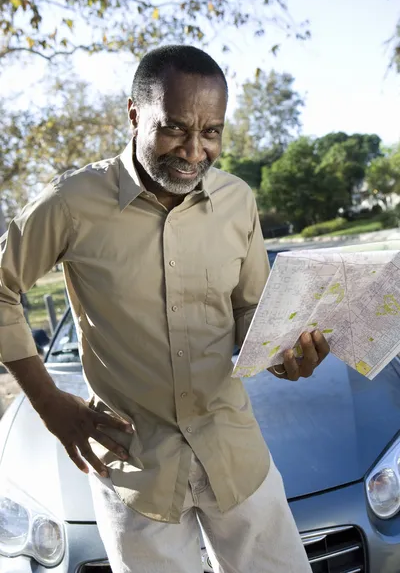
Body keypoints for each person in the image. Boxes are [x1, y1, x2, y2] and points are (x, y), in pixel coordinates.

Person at [0, 45, 329, 573]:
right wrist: (46, 401)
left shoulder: (238, 202)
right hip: (135, 466)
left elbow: (250, 312)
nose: (195, 152)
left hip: (235, 454)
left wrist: (284, 355)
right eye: (176, 128)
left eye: (212, 132)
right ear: (134, 112)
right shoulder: (69, 202)